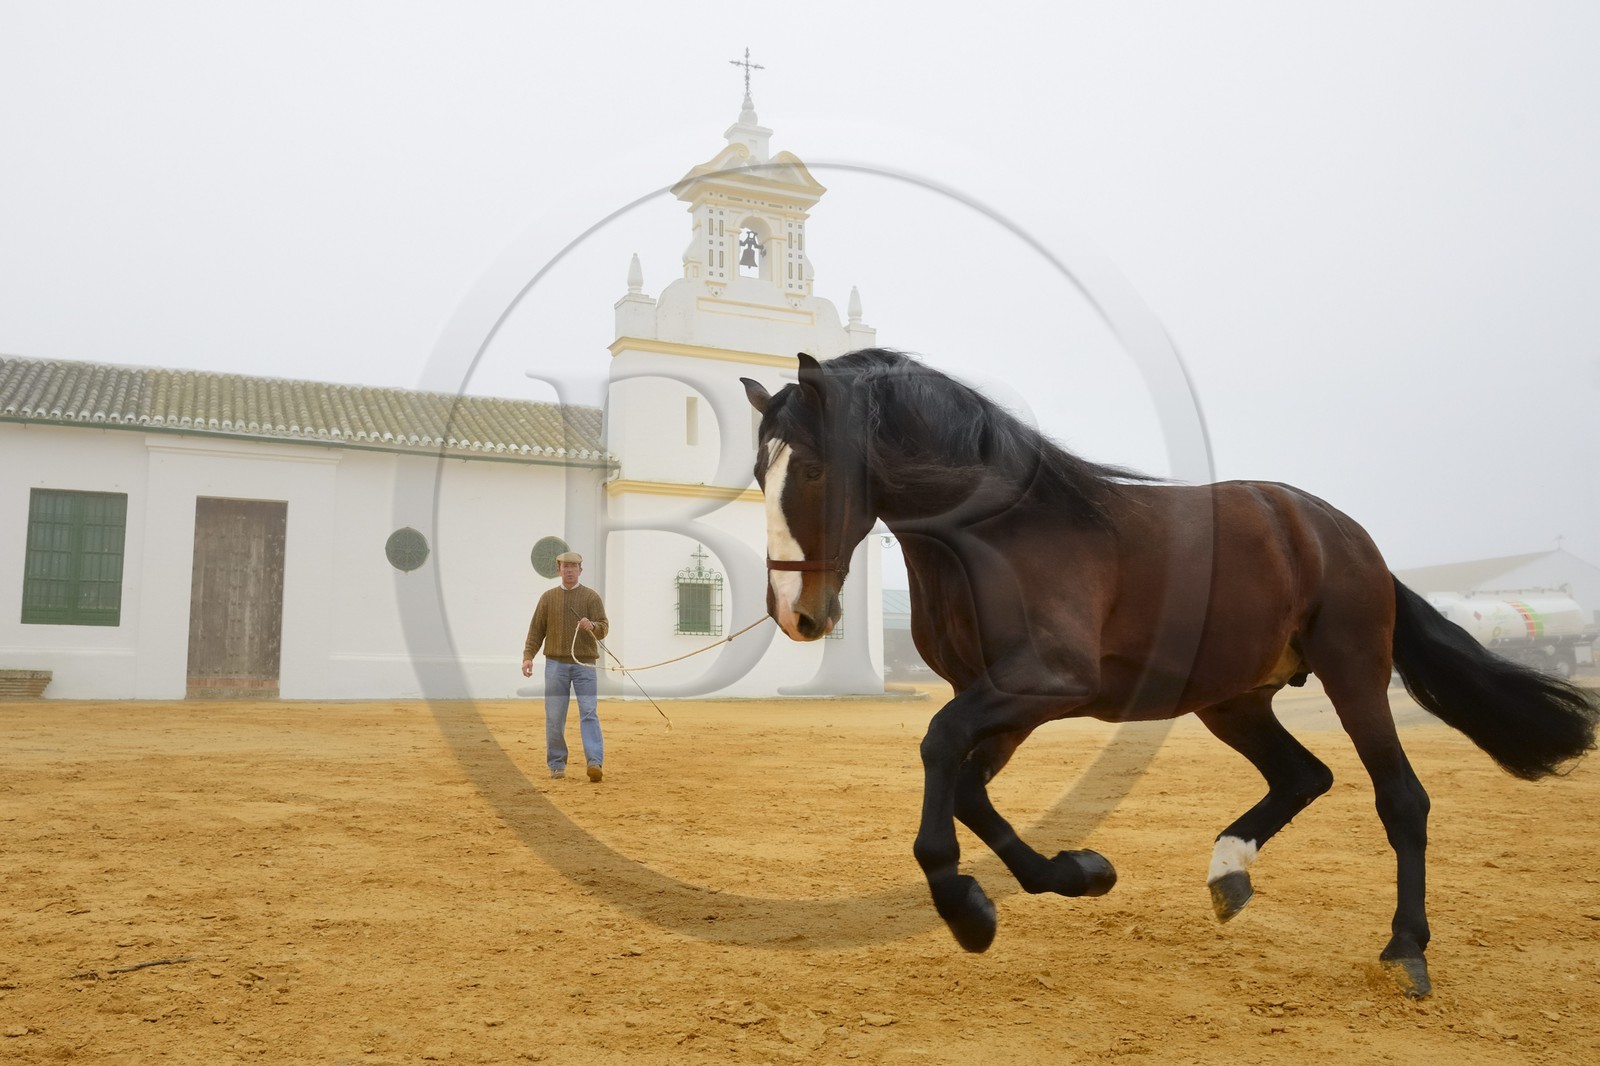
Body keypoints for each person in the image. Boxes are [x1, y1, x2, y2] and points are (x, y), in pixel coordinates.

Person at [521, 551, 609, 782]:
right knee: (554, 715)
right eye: (565, 566)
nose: (569, 570)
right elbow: (536, 630)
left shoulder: (591, 598)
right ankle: (557, 764)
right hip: (555, 664)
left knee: (589, 712)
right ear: (558, 570)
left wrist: (592, 626)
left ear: (581, 570)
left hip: (585, 664)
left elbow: (604, 626)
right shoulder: (548, 598)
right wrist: (528, 655)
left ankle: (594, 762)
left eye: (574, 566)